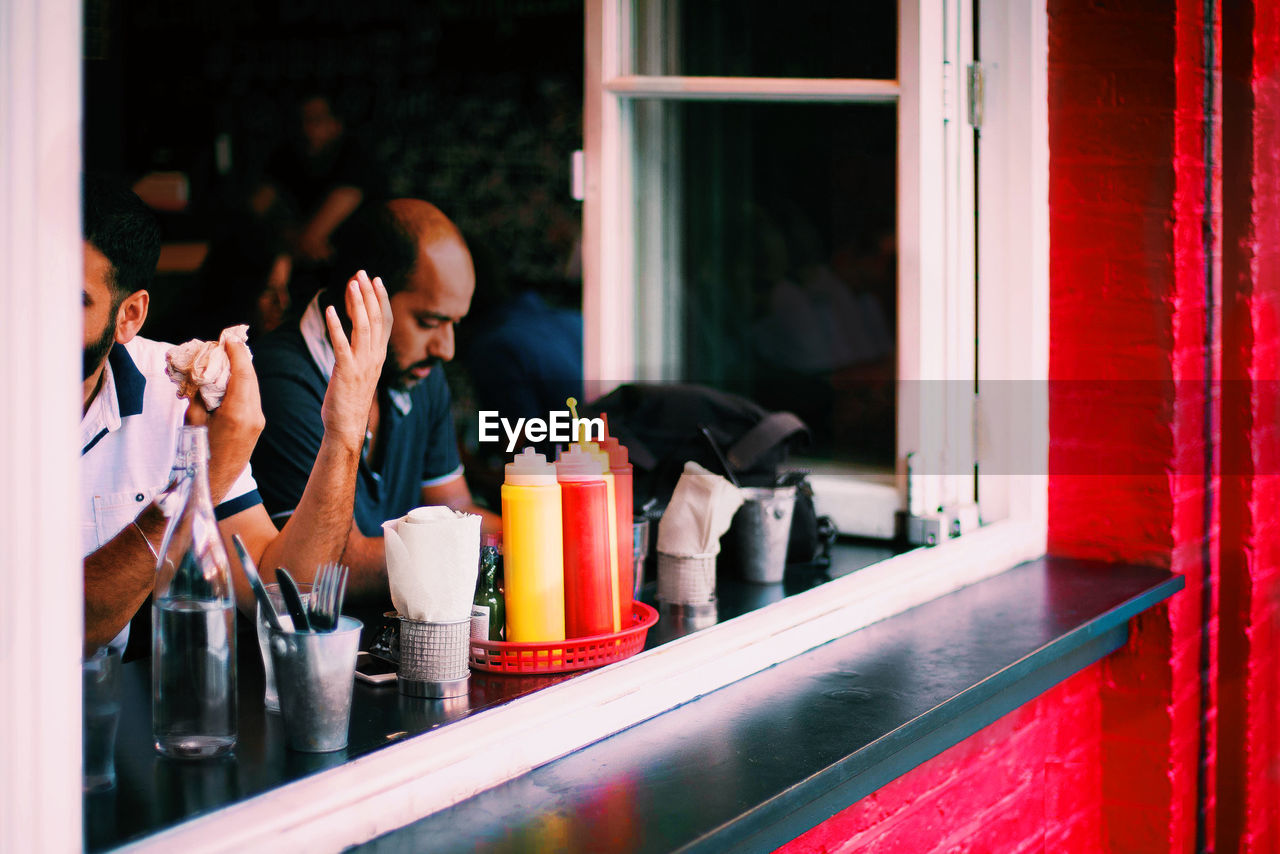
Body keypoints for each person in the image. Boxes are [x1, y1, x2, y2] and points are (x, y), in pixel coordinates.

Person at [80, 175, 391, 655]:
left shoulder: (173, 390)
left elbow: (283, 602)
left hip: (113, 719)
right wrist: (202, 478)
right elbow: (39, 634)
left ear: (130, 315)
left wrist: (343, 434)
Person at [251, 199, 499, 601]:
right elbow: (328, 565)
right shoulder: (280, 381)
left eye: (455, 324)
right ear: (362, 298)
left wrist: (543, 535)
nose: (447, 348)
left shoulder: (421, 372)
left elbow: (458, 512)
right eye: (429, 322)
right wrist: (475, 549)